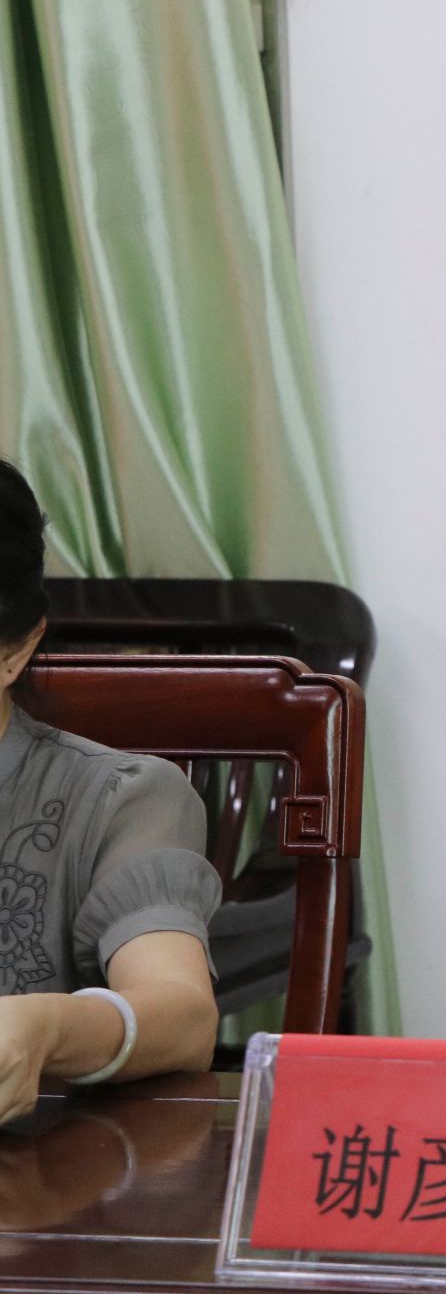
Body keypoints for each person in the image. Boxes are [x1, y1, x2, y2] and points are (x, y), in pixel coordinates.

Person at [0, 460, 220, 1124]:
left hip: (43, 1174)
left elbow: (184, 1016)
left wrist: (45, 1028)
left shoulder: (123, 799)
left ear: (15, 651)